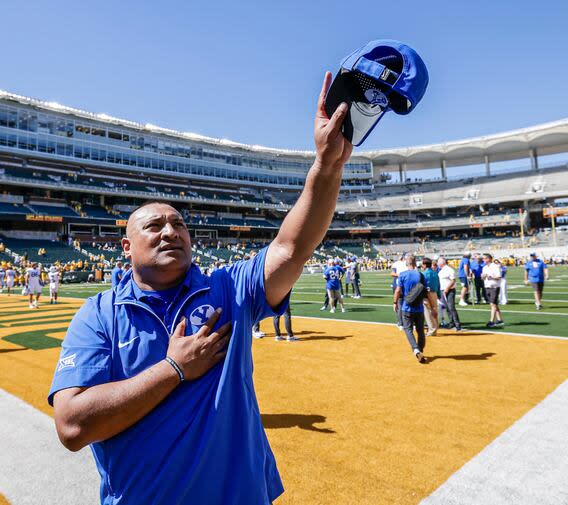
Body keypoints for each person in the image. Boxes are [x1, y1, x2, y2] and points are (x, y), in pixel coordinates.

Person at [48, 74, 353, 505]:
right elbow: (72, 426)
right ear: (125, 246)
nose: (170, 231)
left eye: (179, 224)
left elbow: (291, 245)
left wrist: (327, 165)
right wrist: (173, 368)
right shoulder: (99, 315)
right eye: (154, 226)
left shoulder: (227, 289)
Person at [393, 255, 427, 363]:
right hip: (419, 308)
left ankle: (416, 349)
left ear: (406, 264)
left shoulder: (402, 275)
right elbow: (426, 292)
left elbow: (398, 290)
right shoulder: (421, 275)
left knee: (408, 329)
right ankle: (420, 350)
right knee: (420, 331)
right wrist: (433, 307)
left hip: (406, 307)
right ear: (415, 263)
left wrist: (395, 302)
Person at [437, 257, 463, 331]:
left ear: (442, 263)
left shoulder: (449, 270)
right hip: (443, 290)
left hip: (449, 290)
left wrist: (447, 288)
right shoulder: (441, 271)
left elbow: (453, 280)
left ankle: (457, 324)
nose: (438, 263)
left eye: (438, 262)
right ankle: (451, 322)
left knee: (451, 307)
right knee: (447, 307)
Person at [481, 253, 503, 327]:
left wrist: (492, 277)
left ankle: (491, 321)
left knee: (492, 304)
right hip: (487, 286)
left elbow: (499, 277)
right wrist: (483, 277)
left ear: (489, 259)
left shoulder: (495, 267)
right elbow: (483, 278)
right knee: (494, 304)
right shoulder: (484, 267)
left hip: (494, 287)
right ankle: (499, 319)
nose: (483, 260)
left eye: (485, 258)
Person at [421, 257, 440, 336]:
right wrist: (438, 294)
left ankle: (432, 330)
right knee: (434, 310)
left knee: (428, 312)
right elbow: (438, 284)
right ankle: (435, 327)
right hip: (434, 293)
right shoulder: (435, 272)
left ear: (425, 265)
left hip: (427, 294)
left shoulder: (424, 274)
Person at [391, 254, 409, 327]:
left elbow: (392, 273)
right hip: (406, 285)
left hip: (398, 285)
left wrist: (400, 275)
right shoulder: (406, 264)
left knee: (399, 304)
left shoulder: (396, 264)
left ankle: (400, 322)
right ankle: (406, 322)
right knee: (406, 304)